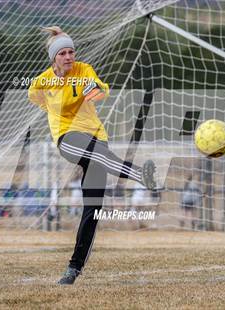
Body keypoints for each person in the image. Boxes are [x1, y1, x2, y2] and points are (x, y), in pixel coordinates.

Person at [28, 26, 156, 285]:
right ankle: (140, 174)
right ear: (53, 58)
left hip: (97, 138)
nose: (68, 56)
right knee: (96, 155)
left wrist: (94, 88)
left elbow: (101, 90)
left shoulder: (84, 70)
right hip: (68, 138)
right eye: (62, 53)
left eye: (71, 51)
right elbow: (41, 101)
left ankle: (73, 269)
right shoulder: (41, 82)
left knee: (92, 210)